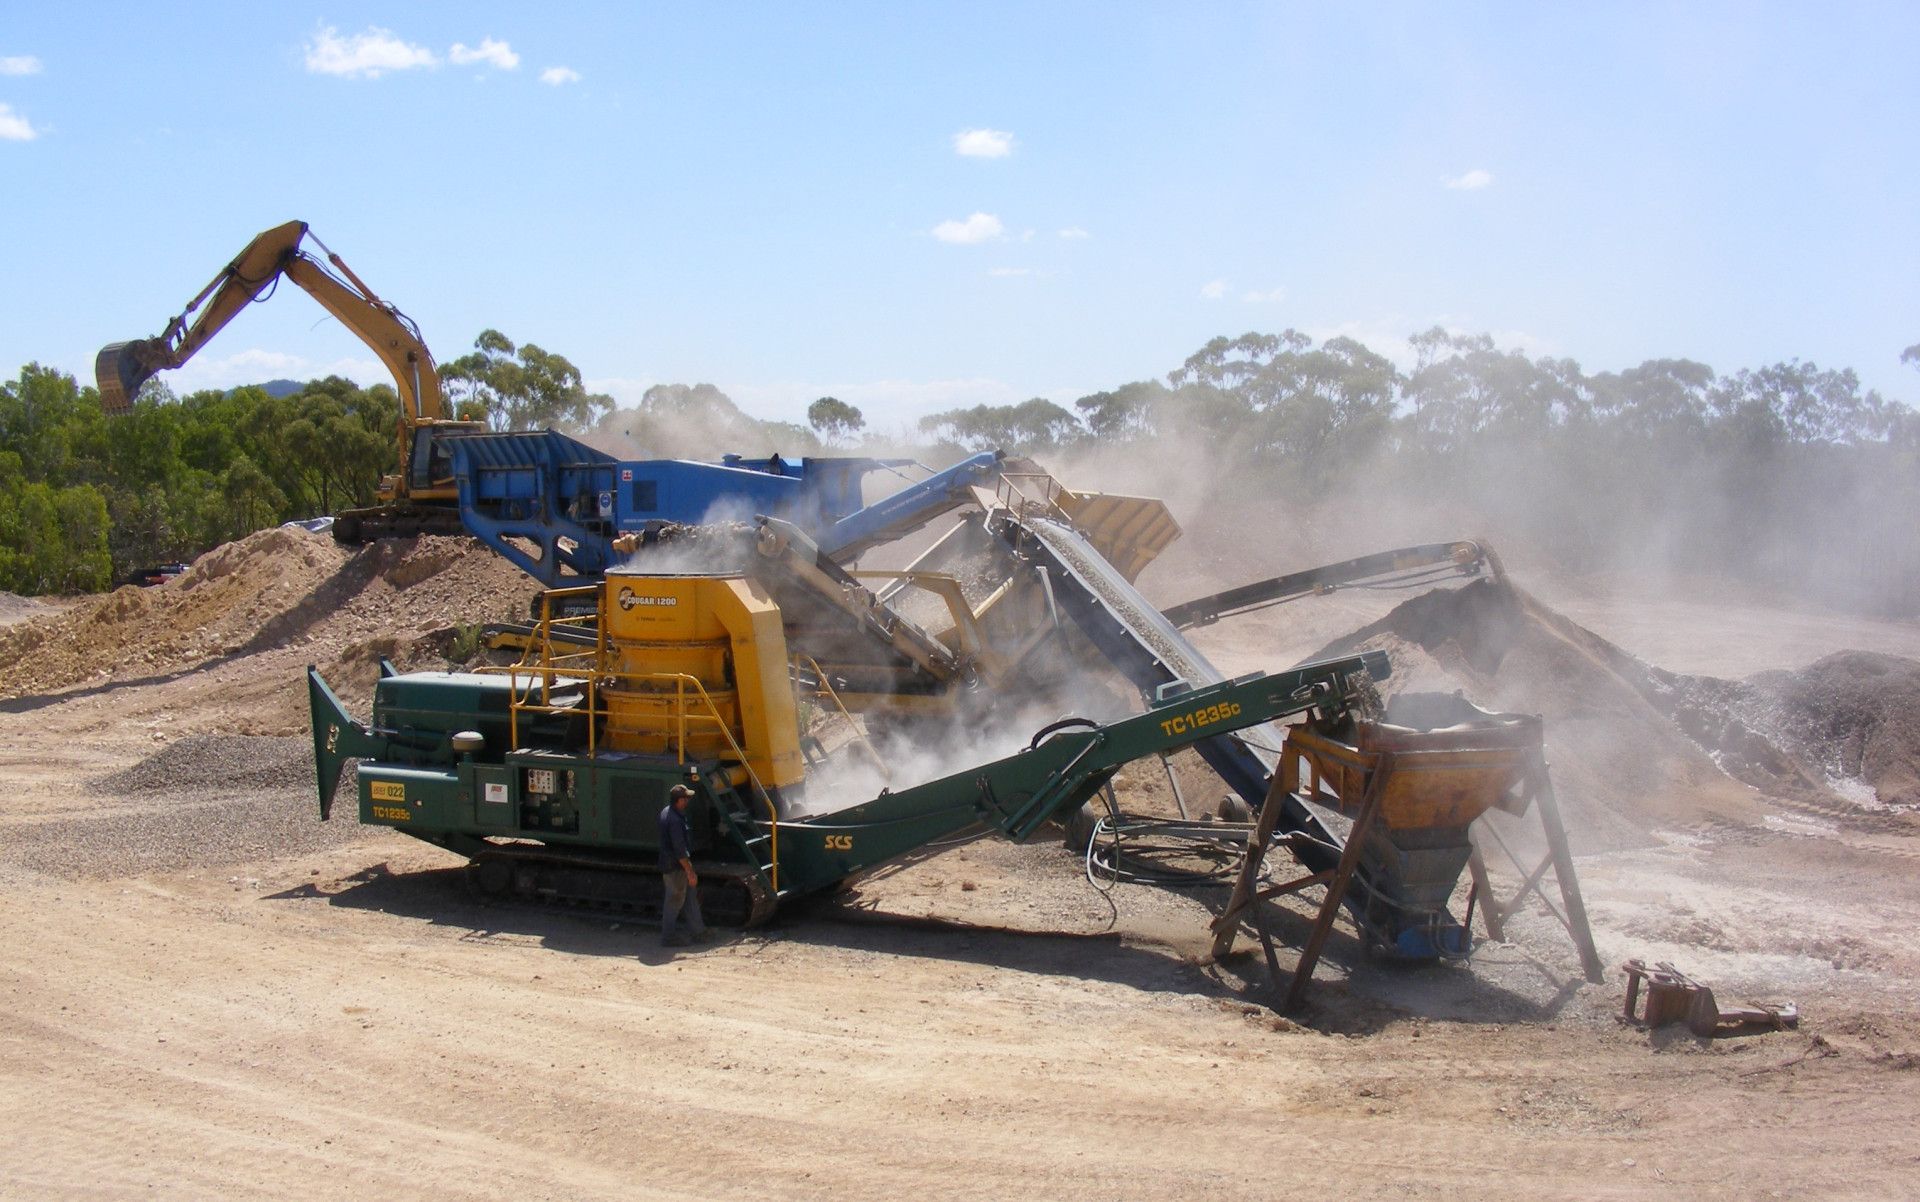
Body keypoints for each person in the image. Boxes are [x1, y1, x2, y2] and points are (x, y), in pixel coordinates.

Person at [657, 784, 711, 947]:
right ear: (680, 800)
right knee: (674, 900)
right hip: (675, 867)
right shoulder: (674, 820)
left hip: (673, 864)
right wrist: (690, 872)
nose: (688, 800)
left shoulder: (667, 812)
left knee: (689, 898)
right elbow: (680, 850)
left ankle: (699, 932)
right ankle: (668, 937)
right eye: (686, 798)